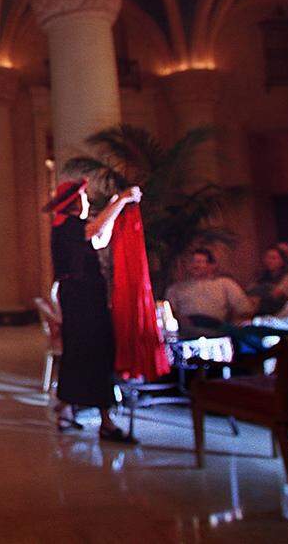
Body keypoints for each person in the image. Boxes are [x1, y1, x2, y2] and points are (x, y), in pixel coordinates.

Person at [43, 178, 142, 444]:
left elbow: (100, 238)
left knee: (81, 353)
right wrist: (121, 200)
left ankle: (65, 410)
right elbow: (96, 231)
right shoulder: (68, 226)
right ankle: (105, 423)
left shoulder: (67, 227)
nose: (87, 201)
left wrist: (114, 205)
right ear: (76, 201)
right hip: (83, 298)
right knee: (96, 353)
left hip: (82, 297)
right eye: (84, 197)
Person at [165, 248, 256, 330]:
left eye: (200, 262)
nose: (195, 265)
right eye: (193, 261)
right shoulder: (175, 288)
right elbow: (168, 314)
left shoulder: (225, 284)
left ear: (211, 265)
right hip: (187, 329)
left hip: (217, 328)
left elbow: (245, 309)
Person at [246, 244, 288, 316]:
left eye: (274, 258)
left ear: (282, 261)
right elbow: (249, 290)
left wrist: (259, 296)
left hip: (278, 311)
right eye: (267, 258)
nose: (269, 261)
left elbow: (276, 295)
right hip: (257, 308)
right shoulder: (261, 276)